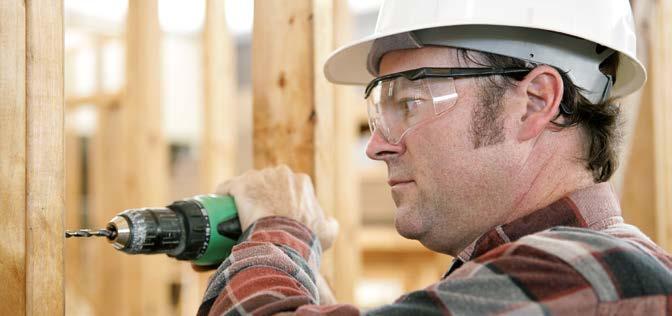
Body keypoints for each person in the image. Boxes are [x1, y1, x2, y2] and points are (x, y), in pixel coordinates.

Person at [198, 0, 672, 314]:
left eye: (410, 102)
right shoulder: (555, 281)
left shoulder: (592, 274)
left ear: (534, 101)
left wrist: (277, 229)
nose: (376, 145)